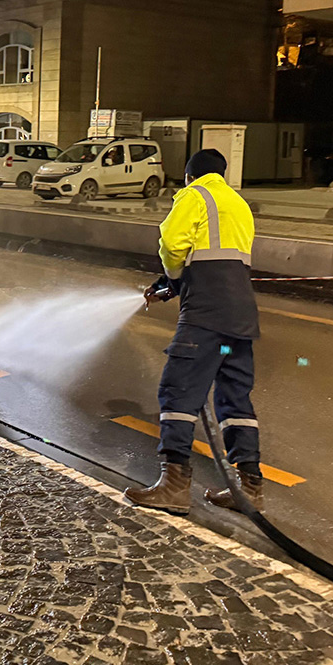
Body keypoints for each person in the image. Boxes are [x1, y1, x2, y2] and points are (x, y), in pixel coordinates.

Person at [124, 148, 264, 515]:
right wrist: (172, 285)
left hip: (205, 315)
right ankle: (250, 488)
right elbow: (214, 256)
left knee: (179, 391)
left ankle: (174, 486)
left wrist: (171, 278)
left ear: (190, 175)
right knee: (235, 399)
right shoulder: (238, 204)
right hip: (241, 316)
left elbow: (173, 245)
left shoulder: (194, 195)